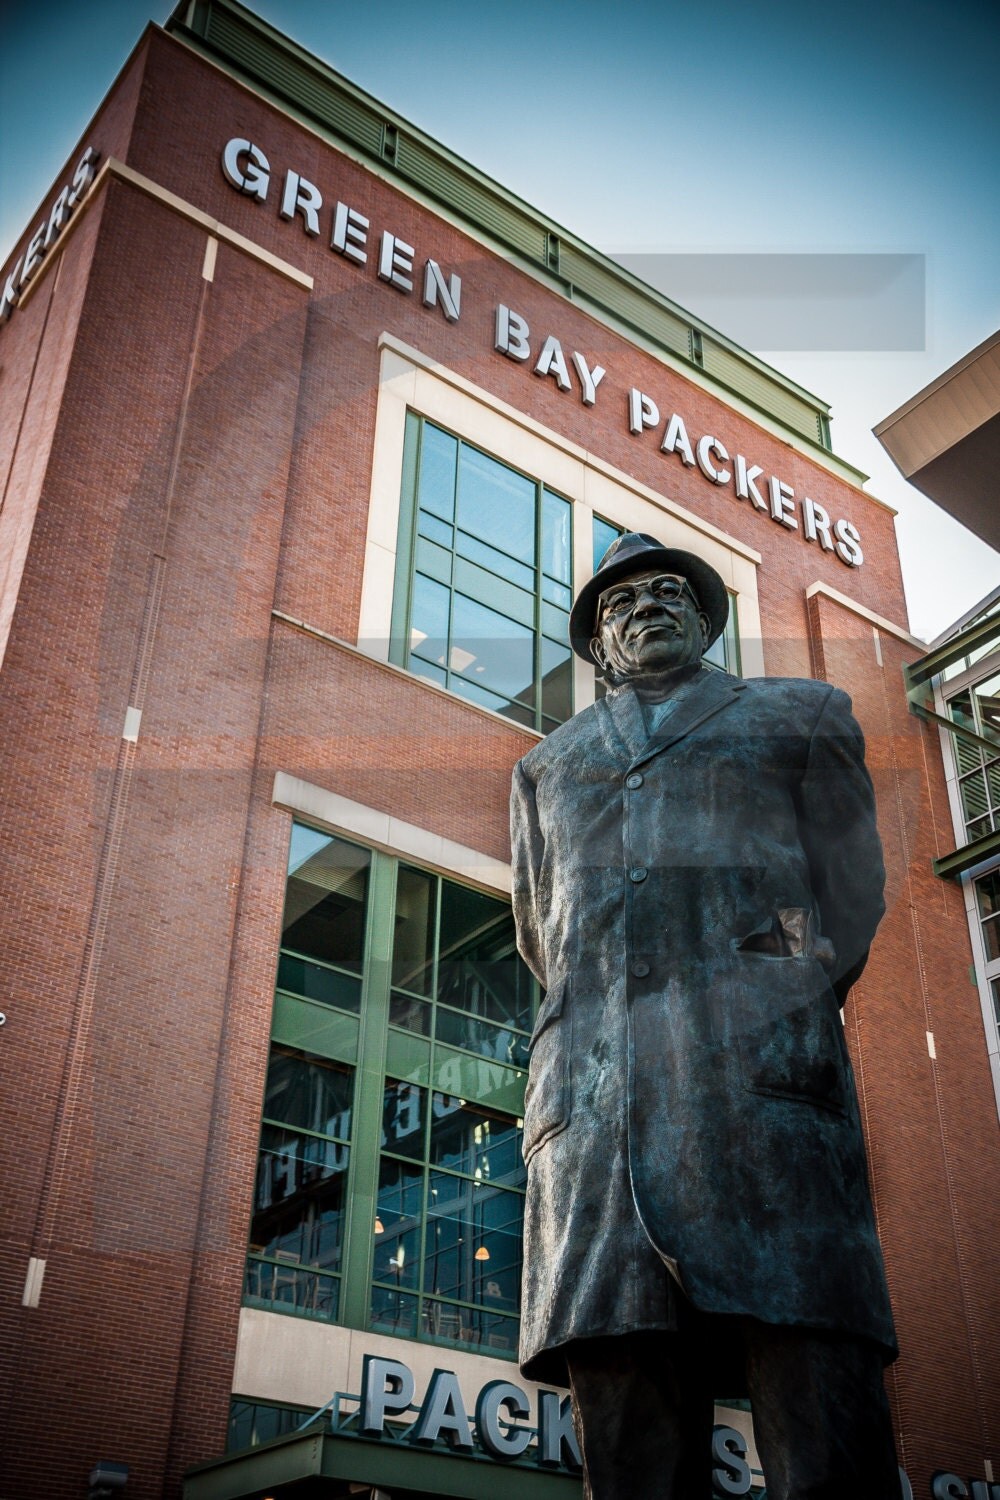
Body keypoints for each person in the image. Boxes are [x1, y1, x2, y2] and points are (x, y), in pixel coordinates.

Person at [509, 531, 902, 1499]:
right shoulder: (544, 770)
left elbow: (850, 897)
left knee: (825, 1438)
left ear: (704, 616)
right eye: (620, 602)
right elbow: (542, 935)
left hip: (764, 1111)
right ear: (597, 644)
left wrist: (777, 997)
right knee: (631, 1461)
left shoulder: (800, 717)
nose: (645, 607)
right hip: (596, 1133)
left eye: (667, 591)